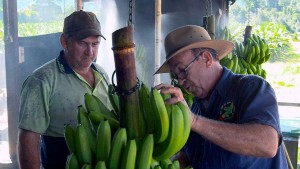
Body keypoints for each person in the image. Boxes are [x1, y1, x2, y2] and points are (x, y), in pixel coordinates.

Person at [154, 25, 288, 169]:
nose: (180, 81)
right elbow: (191, 154)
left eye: (183, 70)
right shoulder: (197, 106)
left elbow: (267, 144)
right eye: (176, 76)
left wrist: (194, 121)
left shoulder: (250, 87)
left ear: (206, 58)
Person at [17, 10, 112, 169]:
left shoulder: (102, 74)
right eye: (82, 43)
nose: (90, 52)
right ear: (64, 41)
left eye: (95, 44)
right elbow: (28, 137)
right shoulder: (42, 80)